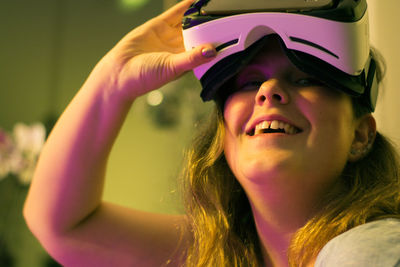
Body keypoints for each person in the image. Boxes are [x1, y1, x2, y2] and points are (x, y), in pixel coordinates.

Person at [23, 0, 400, 266]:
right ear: (223, 137)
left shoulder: (372, 251)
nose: (268, 91)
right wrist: (113, 80)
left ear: (360, 136)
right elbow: (61, 226)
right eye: (249, 83)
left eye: (305, 78)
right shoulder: (210, 254)